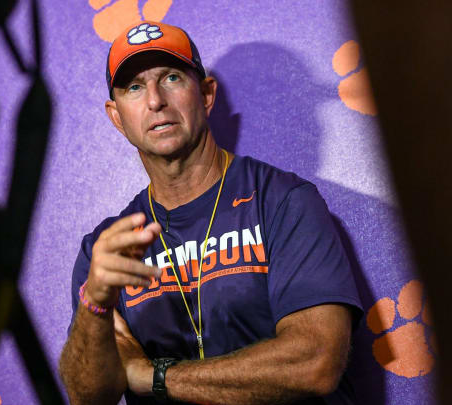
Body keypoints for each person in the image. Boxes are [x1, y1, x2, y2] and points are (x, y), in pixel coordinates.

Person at [58, 21, 363, 405]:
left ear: (205, 94)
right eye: (134, 87)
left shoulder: (283, 202)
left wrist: (152, 376)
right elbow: (87, 396)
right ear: (117, 117)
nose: (155, 101)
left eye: (170, 77)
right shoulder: (106, 249)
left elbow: (315, 362)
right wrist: (96, 304)